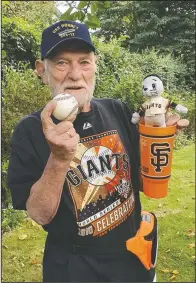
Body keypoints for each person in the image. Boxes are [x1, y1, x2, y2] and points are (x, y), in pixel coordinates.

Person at [7, 20, 189, 282]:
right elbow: (39, 214)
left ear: (95, 65)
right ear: (42, 70)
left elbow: (140, 180)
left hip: (134, 255)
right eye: (61, 62)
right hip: (74, 267)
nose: (75, 73)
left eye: (84, 61)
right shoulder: (30, 130)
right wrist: (59, 159)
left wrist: (158, 137)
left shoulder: (117, 110)